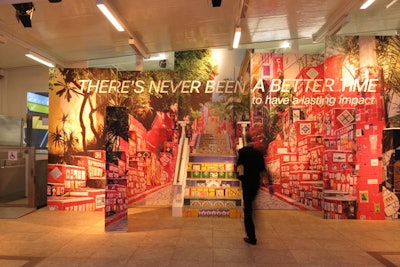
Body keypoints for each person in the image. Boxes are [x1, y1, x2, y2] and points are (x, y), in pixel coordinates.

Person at [236, 133, 274, 245]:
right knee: (251, 203)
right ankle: (252, 226)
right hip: (255, 184)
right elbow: (264, 169)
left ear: (245, 140)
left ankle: (251, 236)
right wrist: (270, 183)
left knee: (247, 210)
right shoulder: (258, 153)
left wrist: (239, 177)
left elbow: (239, 166)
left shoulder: (242, 152)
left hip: (246, 183)